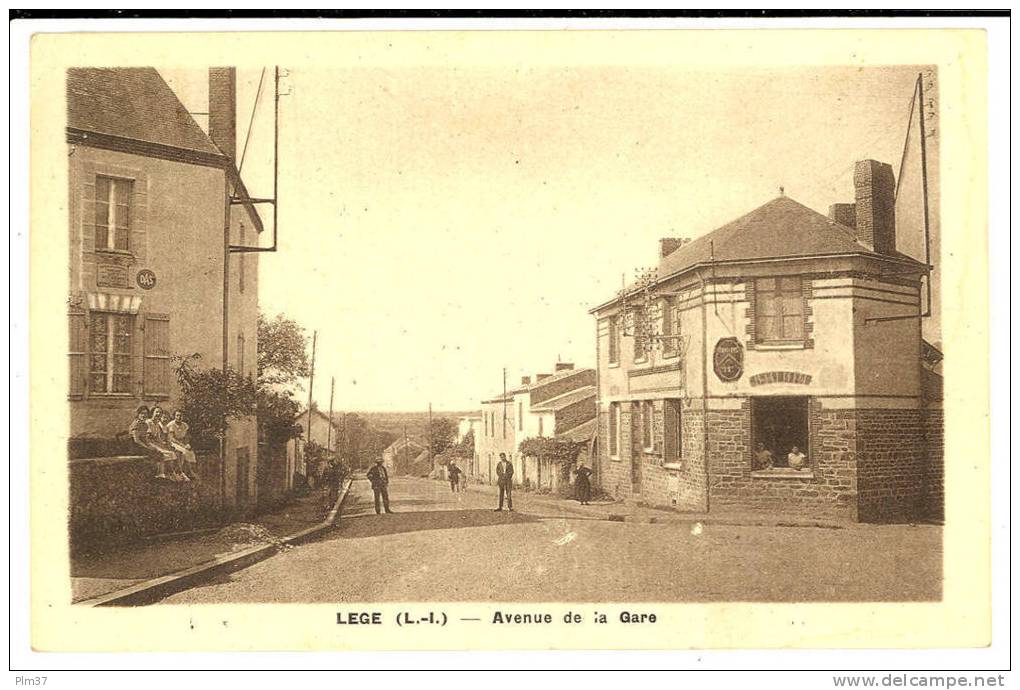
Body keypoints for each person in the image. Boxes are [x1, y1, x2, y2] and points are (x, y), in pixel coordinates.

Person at [129, 405, 175, 480]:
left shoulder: (144, 424)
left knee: (159, 452)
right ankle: (160, 475)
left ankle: (163, 474)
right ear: (138, 414)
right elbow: (136, 440)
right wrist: (148, 447)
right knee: (158, 453)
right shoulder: (136, 424)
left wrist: (151, 446)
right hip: (136, 447)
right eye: (142, 413)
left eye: (146, 414)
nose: (144, 415)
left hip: (143, 445)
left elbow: (146, 438)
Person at [149, 406, 188, 482]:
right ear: (152, 413)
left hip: (158, 444)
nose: (158, 414)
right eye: (156, 412)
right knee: (170, 453)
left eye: (159, 412)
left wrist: (164, 444)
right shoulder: (150, 423)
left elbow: (160, 438)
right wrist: (161, 444)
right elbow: (150, 438)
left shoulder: (157, 424)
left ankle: (176, 473)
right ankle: (171, 473)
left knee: (175, 453)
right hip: (151, 445)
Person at [166, 410, 199, 480]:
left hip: (182, 443)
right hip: (173, 443)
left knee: (190, 452)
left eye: (181, 416)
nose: (179, 417)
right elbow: (171, 438)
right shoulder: (171, 425)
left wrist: (187, 444)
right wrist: (182, 445)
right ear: (174, 416)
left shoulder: (185, 425)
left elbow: (186, 437)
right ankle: (180, 472)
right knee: (182, 452)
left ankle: (190, 471)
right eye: (177, 415)